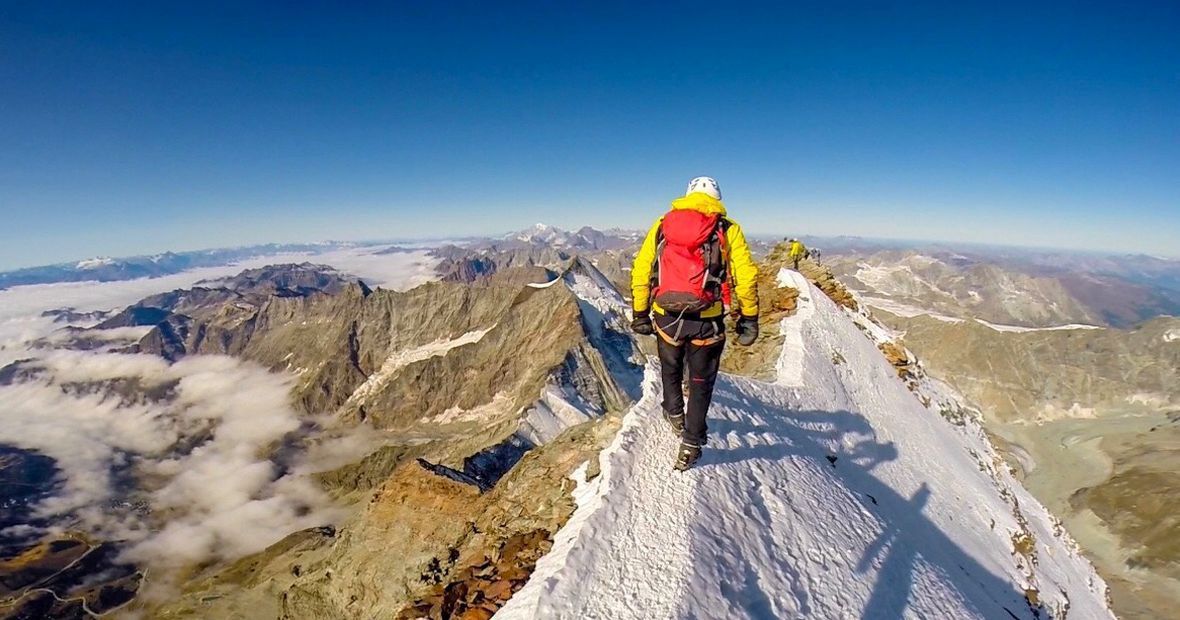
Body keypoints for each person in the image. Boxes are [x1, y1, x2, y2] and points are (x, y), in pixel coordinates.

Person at [630, 176, 760, 471]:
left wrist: (640, 313)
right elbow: (746, 276)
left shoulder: (663, 224)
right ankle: (690, 443)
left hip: (666, 316)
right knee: (701, 383)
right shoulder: (727, 229)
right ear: (717, 198)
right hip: (706, 321)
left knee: (670, 367)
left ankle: (674, 413)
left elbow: (642, 268)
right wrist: (749, 317)